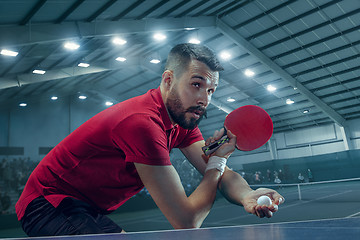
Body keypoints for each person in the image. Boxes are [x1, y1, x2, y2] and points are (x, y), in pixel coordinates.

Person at [15, 43, 284, 237]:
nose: (205, 99)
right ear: (168, 80)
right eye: (196, 84)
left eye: (211, 90)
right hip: (49, 204)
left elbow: (219, 172)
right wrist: (218, 160)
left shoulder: (183, 122)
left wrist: (248, 194)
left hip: (85, 207)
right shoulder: (141, 123)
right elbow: (186, 220)